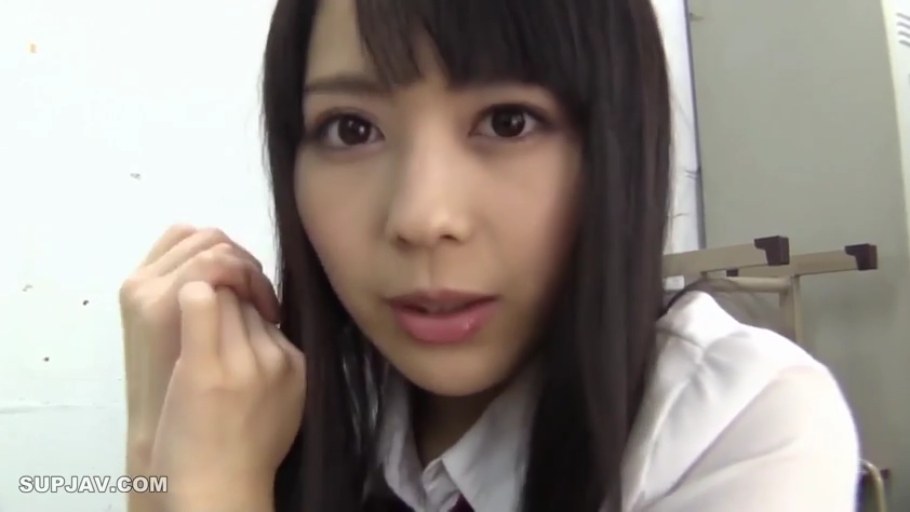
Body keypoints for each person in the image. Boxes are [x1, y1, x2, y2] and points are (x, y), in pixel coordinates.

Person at [119, 0, 860, 511]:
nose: (422, 219)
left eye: (508, 122)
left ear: (614, 144)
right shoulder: (291, 409)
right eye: (351, 129)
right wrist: (155, 447)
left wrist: (215, 494)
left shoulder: (736, 422)